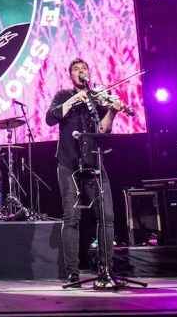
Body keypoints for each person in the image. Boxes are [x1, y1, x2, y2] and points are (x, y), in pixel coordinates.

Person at [45, 58, 127, 288]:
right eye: (76, 69)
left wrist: (112, 111)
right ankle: (73, 273)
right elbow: (50, 118)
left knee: (107, 216)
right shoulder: (63, 94)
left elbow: (103, 129)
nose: (81, 72)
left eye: (85, 68)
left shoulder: (97, 98)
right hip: (69, 164)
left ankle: (106, 269)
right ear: (71, 75)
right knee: (72, 218)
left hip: (95, 163)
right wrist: (72, 100)